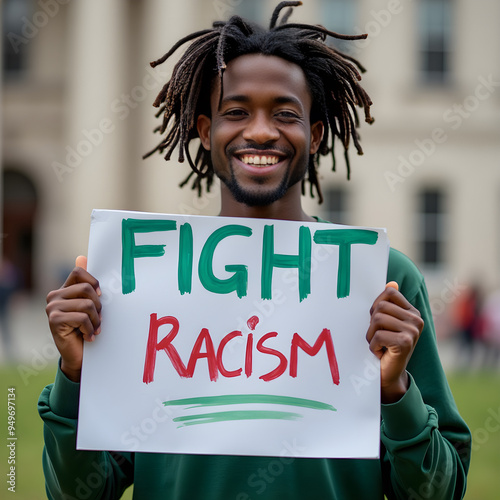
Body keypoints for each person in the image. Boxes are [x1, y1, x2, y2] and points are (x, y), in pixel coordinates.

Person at [39, 2, 471, 498]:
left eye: (286, 114)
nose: (261, 130)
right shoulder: (139, 279)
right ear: (206, 132)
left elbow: (442, 492)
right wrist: (75, 376)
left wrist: (396, 393)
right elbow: (79, 494)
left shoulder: (385, 279)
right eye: (236, 112)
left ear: (316, 133)